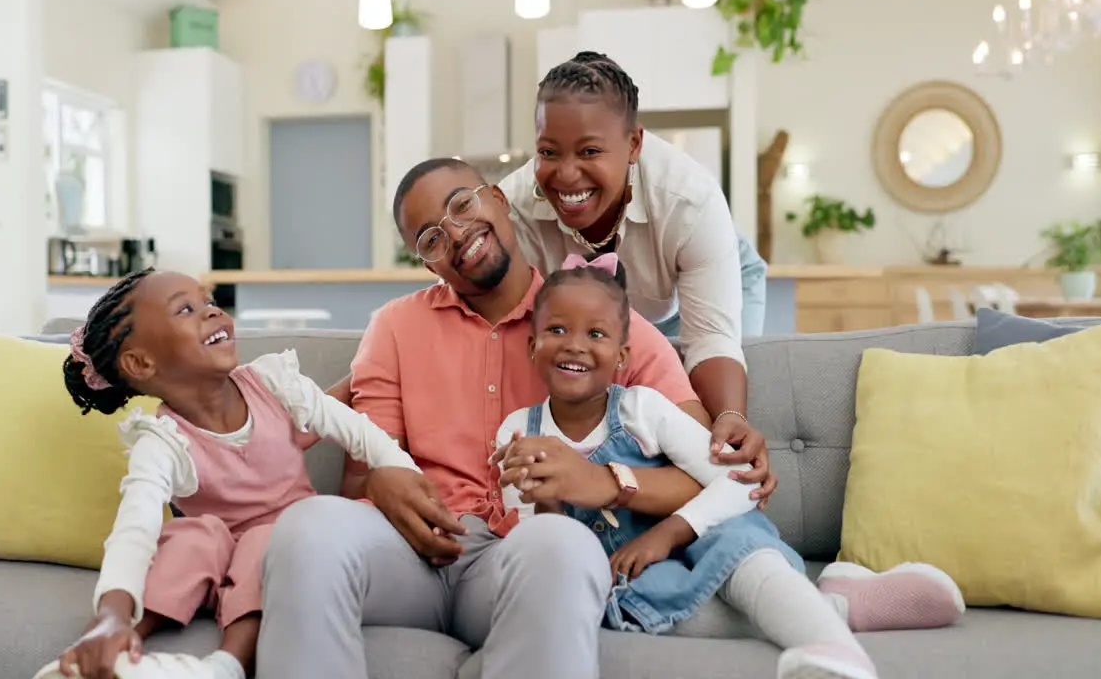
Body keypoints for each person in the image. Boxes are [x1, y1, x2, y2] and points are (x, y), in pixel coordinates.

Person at [257, 159, 960, 679]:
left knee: (561, 545)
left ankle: (827, 613)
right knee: (309, 526)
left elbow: (713, 471)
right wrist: (380, 486)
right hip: (412, 560)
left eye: (464, 205)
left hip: (523, 556)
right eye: (431, 236)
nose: (457, 234)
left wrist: (605, 480)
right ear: (425, 259)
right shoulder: (394, 327)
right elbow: (363, 469)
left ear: (501, 199)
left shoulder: (603, 321)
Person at [494, 253, 964, 679]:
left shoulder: (643, 409)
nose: (574, 345)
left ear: (621, 357)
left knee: (739, 547)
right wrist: (549, 502)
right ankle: (836, 605)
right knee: (655, 611)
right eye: (557, 330)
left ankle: (835, 651)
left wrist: (668, 532)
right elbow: (539, 551)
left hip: (699, 539)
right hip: (631, 577)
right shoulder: (517, 432)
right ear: (533, 346)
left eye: (595, 333)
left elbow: (740, 483)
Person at [31, 269, 422, 679]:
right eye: (186, 309)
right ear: (142, 363)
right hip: (215, 561)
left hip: (289, 551)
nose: (212, 313)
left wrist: (406, 474)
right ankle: (112, 647)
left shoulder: (275, 384)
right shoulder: (163, 439)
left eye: (209, 302)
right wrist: (111, 613)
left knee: (263, 539)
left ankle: (225, 666)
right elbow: (136, 526)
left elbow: (360, 434)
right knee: (189, 536)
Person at [499, 50, 771, 486]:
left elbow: (711, 338)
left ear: (634, 145)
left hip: (702, 288)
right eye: (549, 152)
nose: (566, 175)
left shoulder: (690, 200)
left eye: (589, 150)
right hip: (609, 315)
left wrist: (730, 418)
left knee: (716, 415)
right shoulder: (514, 207)